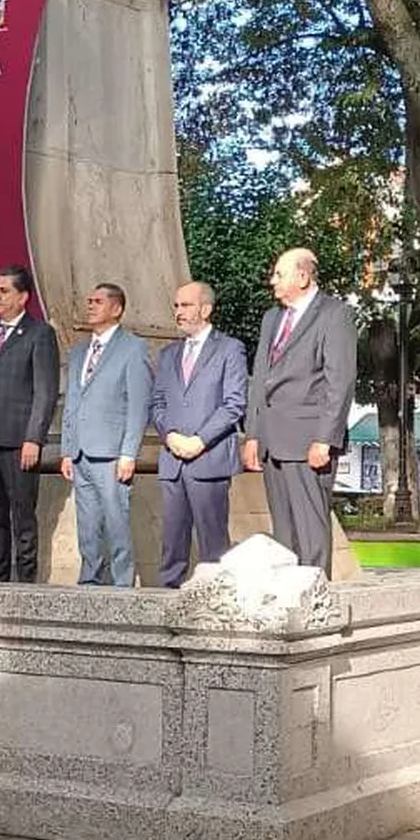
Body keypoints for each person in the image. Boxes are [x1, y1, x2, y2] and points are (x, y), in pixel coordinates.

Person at [243, 248, 357, 575]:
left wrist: (325, 439)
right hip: (272, 438)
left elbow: (340, 381)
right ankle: (285, 598)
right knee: (284, 530)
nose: (272, 281)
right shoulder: (272, 319)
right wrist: (253, 434)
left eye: (279, 275)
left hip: (308, 440)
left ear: (303, 276)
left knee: (310, 528)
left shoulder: (334, 315)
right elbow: (260, 378)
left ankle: (313, 596)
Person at [0, 265, 60, 582]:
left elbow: (45, 391)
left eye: (4, 291)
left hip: (19, 441)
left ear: (23, 297)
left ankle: (26, 585)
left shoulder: (39, 333)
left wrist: (34, 437)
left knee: (22, 516)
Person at [150, 282, 248, 588]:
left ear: (205, 309)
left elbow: (234, 404)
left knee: (213, 543)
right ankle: (168, 598)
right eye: (176, 306)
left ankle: (215, 601)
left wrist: (199, 440)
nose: (178, 312)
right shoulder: (168, 354)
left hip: (209, 460)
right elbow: (157, 403)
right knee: (172, 541)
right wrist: (170, 436)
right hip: (173, 460)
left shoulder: (229, 349)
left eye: (186, 305)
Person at [59, 282, 152, 586]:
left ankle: (122, 581)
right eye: (89, 300)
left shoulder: (133, 348)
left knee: (116, 520)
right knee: (87, 523)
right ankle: (90, 580)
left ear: (117, 308)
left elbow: (138, 405)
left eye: (98, 301)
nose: (91, 305)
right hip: (81, 452)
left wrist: (129, 453)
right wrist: (66, 449)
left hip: (112, 452)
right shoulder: (78, 351)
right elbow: (73, 399)